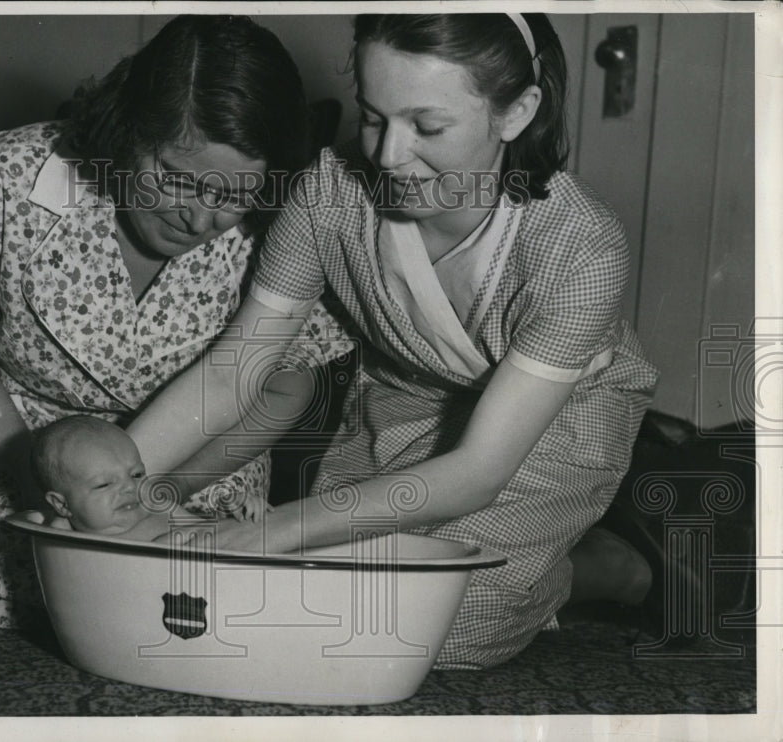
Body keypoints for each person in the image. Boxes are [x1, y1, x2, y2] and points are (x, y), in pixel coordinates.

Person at [126, 13, 661, 669]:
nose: (386, 155)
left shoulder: (581, 248)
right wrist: (119, 484)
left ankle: (594, 568)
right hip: (408, 394)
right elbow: (235, 369)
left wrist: (273, 530)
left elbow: (476, 472)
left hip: (555, 420)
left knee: (423, 632)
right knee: (323, 598)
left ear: (517, 112)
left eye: (427, 127)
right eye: (373, 118)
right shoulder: (328, 192)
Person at [0, 15, 344, 629]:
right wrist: (34, 469)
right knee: (16, 585)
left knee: (207, 599)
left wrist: (169, 489)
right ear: (127, 130)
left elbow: (285, 385)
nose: (199, 221)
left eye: (232, 197)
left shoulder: (284, 217)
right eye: (177, 180)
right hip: (30, 451)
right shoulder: (14, 175)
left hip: (206, 464)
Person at [32, 415, 263, 537]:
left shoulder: (160, 509)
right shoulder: (62, 534)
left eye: (136, 474)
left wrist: (236, 512)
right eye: (104, 484)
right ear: (62, 504)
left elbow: (214, 533)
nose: (129, 487)